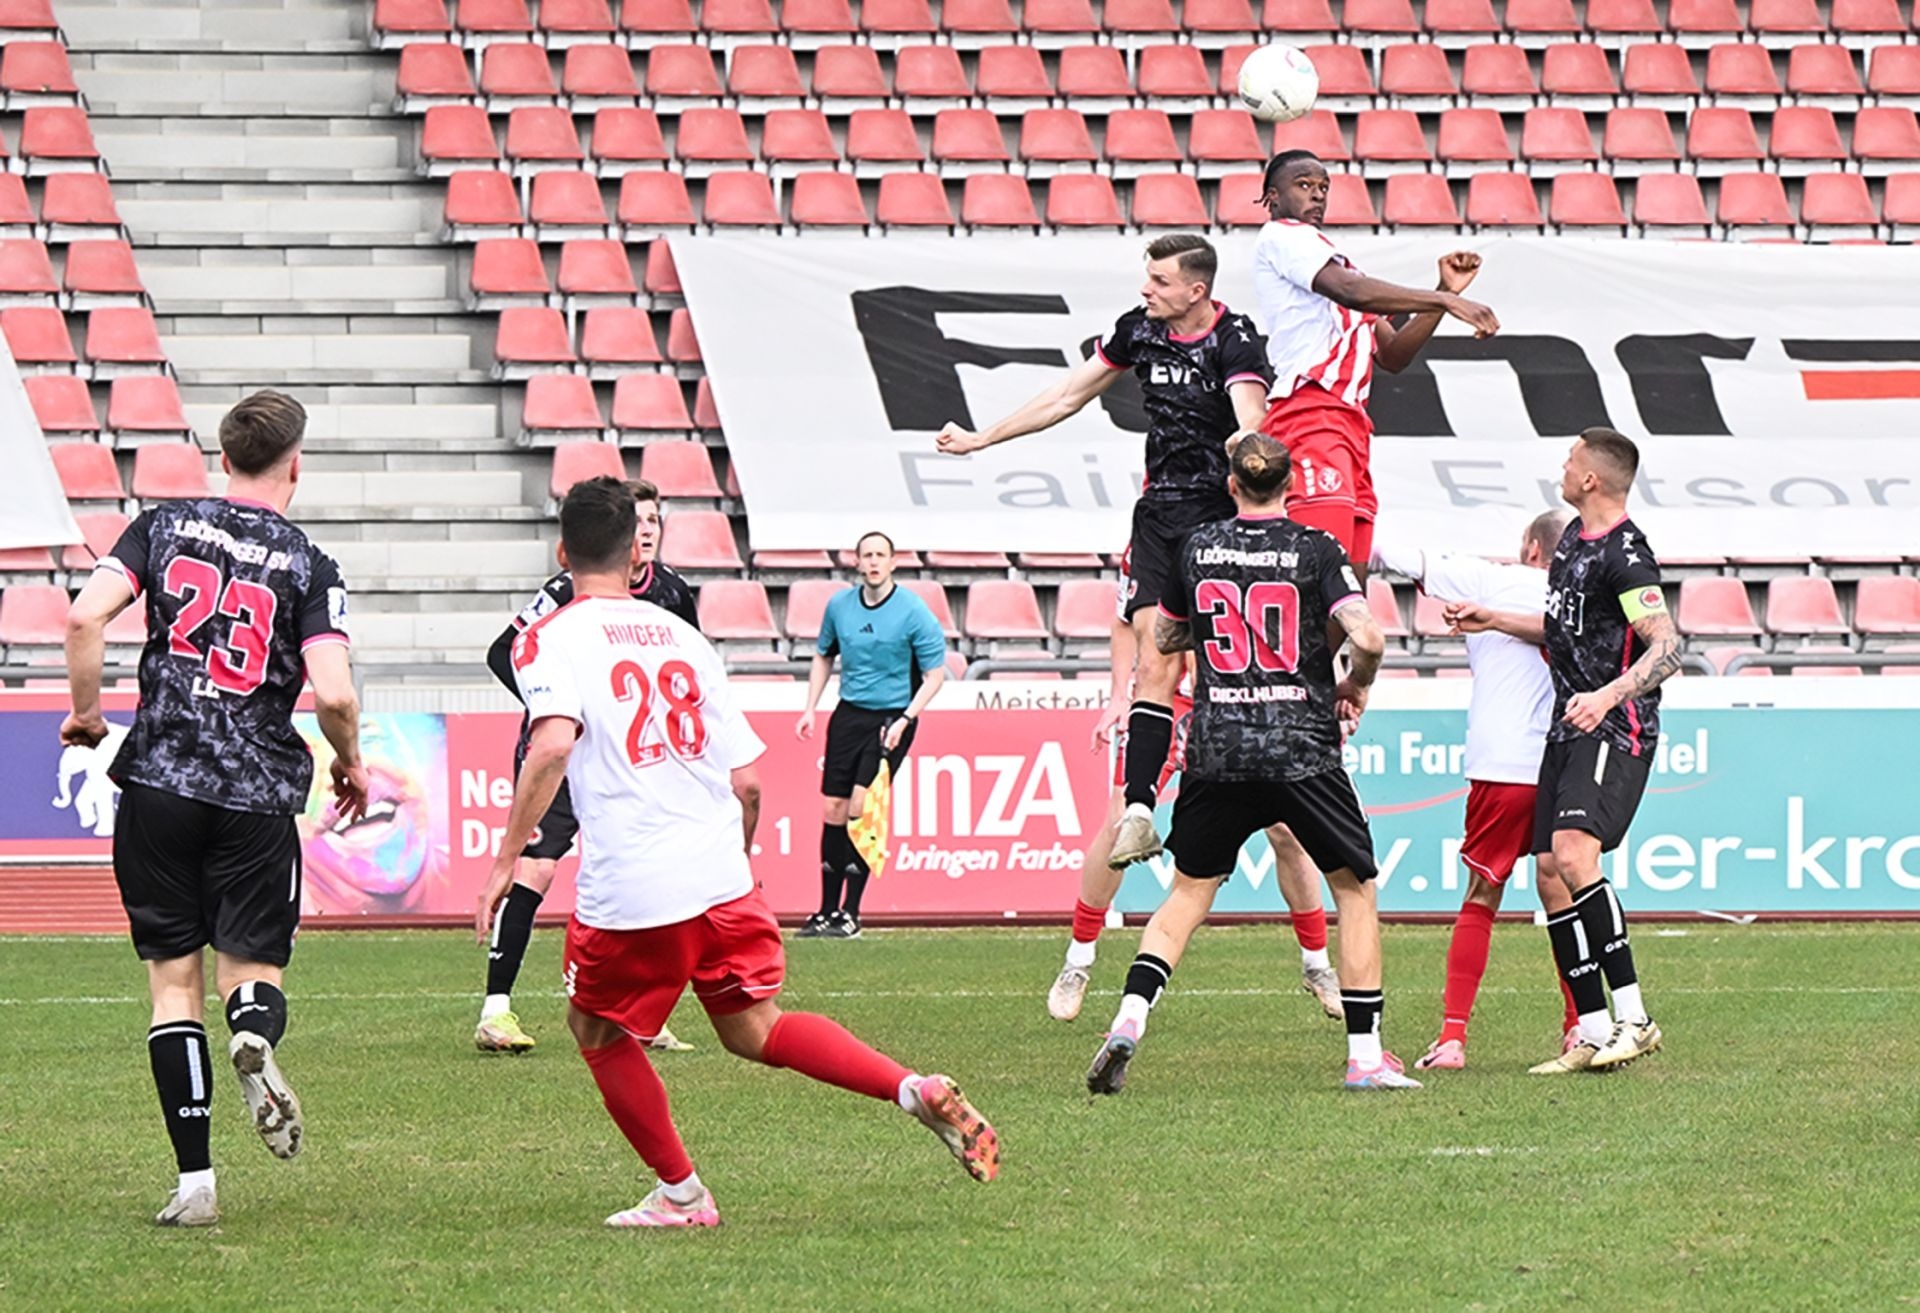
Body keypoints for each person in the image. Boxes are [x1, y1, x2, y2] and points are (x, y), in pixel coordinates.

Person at [476, 478, 997, 1228]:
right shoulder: (684, 637)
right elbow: (747, 780)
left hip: (636, 881)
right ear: (634, 557)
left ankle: (683, 1195)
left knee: (595, 1029)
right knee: (756, 1027)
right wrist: (738, 857)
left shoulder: (548, 636)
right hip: (722, 872)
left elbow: (553, 743)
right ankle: (910, 1087)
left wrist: (505, 858)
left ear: (563, 553)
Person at [60, 390, 370, 1227]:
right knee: (250, 973)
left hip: (159, 780)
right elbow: (335, 694)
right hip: (255, 794)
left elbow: (84, 616)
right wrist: (349, 762)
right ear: (295, 465)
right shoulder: (310, 565)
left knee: (172, 986)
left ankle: (196, 1182)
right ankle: (253, 1031)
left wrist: (87, 714)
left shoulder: (161, 526)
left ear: (223, 459)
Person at [1085, 434, 1420, 1095]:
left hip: (1219, 746)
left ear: (1232, 484)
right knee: (1354, 889)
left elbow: (1167, 635)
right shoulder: (1316, 548)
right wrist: (1354, 682)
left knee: (1188, 893)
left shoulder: (1197, 547)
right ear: (1290, 486)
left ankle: (1129, 1018)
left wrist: (1216, 630)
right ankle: (1364, 1056)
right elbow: (1370, 635)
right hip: (1301, 747)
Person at [937, 233, 1273, 872]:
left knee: (1224, 670)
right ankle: (1140, 810)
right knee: (1155, 662)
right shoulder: (1137, 330)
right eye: (1147, 278)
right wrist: (984, 439)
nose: (1147, 290)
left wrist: (1246, 447)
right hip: (1159, 517)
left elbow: (1250, 418)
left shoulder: (1235, 340)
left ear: (1197, 290)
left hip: (1220, 519)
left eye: (1160, 282)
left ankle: (1239, 783)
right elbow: (1068, 395)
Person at [1445, 429, 1683, 1074]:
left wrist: (1606, 696)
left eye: (1571, 459)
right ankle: (1594, 1031)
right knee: (1551, 869)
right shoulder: (1575, 539)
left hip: (1613, 727)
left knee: (1575, 856)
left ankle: (1635, 1018)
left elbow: (1668, 647)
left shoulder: (1627, 556)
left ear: (1592, 479)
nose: (1563, 466)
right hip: (1567, 728)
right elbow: (1561, 631)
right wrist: (1493, 619)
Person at [474, 479, 699, 1054]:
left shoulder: (672, 593)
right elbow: (502, 652)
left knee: (644, 871)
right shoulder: (564, 591)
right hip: (566, 753)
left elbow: (688, 673)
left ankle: (641, 1012)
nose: (646, 531)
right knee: (537, 869)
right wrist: (558, 708)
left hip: (632, 759)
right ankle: (495, 1010)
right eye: (637, 521)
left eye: (653, 520)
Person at [1046, 609, 1343, 1024]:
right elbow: (1123, 620)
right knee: (1121, 821)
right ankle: (1078, 960)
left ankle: (1316, 964)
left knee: (1286, 831)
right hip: (1165, 701)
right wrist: (1118, 695)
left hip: (1238, 702)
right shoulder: (1152, 565)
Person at [1370, 513, 1585, 1072]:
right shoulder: (1584, 598)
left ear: (1531, 548)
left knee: (1482, 894)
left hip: (1502, 761)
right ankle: (1579, 1027)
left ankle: (1452, 1038)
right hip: (1564, 759)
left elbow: (1397, 554)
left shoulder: (1493, 580)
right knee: (1561, 893)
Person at [1253, 150, 1500, 571]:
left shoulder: (1336, 264)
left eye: (1324, 187)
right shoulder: (1283, 236)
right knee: (1323, 573)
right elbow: (1350, 291)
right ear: (1273, 197)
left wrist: (1445, 293)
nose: (1317, 195)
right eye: (1304, 185)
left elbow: (1393, 355)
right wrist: (1443, 300)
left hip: (1349, 425)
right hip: (1310, 413)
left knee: (1352, 580)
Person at [794, 531, 948, 939]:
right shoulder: (839, 607)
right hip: (849, 715)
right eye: (867, 555)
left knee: (861, 807)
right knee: (834, 808)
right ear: (857, 562)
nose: (874, 561)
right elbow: (823, 655)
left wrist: (905, 719)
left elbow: (935, 675)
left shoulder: (913, 611)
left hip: (891, 717)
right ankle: (826, 910)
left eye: (881, 555)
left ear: (893, 562)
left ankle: (851, 913)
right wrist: (810, 707)